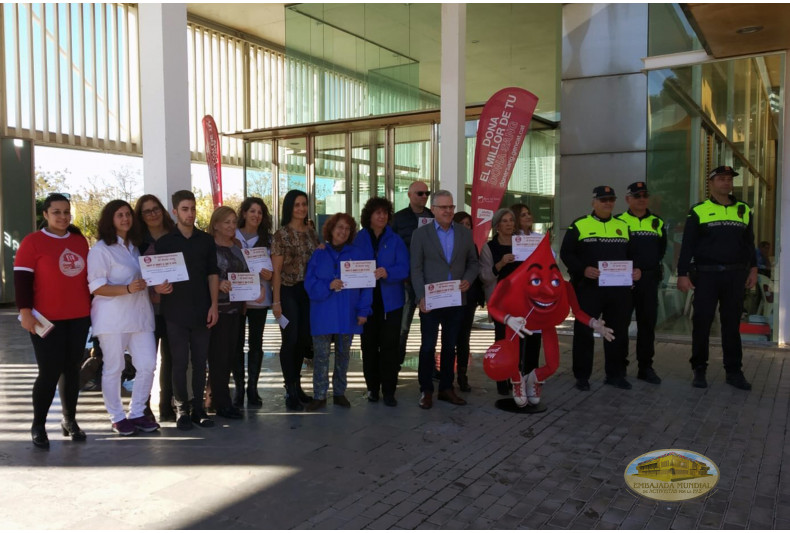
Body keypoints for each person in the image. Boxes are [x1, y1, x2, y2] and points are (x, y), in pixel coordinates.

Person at [14, 193, 92, 449]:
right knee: (48, 372)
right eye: (56, 212)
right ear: (45, 214)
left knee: (72, 371)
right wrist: (25, 312)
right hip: (44, 320)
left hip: (79, 317)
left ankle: (69, 420)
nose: (62, 216)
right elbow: (22, 280)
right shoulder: (32, 242)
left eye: (66, 211)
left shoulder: (80, 242)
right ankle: (38, 424)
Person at [677, 165, 757, 390]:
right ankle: (699, 369)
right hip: (706, 276)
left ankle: (734, 371)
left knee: (731, 325)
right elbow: (688, 245)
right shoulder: (698, 211)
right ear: (711, 183)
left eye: (729, 179)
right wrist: (682, 274)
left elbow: (749, 243)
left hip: (735, 275)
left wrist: (753, 269)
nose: (726, 183)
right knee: (701, 322)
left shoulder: (743, 209)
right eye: (721, 179)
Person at [87, 200, 160, 436]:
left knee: (148, 365)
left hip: (140, 317)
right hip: (113, 318)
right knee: (114, 367)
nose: (125, 219)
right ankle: (117, 416)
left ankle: (137, 412)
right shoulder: (100, 250)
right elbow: (97, 287)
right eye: (120, 215)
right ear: (110, 219)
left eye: (128, 214)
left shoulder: (136, 247)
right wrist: (127, 289)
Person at [560, 185, 641, 391]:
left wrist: (636, 271)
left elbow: (632, 256)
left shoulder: (623, 226)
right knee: (584, 331)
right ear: (594, 202)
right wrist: (582, 269)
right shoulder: (580, 225)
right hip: (588, 289)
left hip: (618, 291)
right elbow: (566, 253)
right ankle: (582, 376)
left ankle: (615, 375)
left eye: (611, 200)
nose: (608, 203)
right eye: (603, 200)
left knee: (618, 332)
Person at [154, 190, 219, 430]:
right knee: (179, 362)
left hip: (203, 309)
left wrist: (214, 305)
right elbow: (156, 278)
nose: (190, 213)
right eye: (184, 209)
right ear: (175, 211)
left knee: (201, 362)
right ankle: (182, 409)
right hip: (175, 313)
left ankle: (199, 409)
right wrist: (159, 286)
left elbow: (213, 274)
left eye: (192, 208)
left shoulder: (205, 240)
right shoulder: (164, 243)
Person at [410, 190, 479, 409]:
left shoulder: (464, 234)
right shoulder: (421, 234)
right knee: (428, 346)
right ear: (433, 210)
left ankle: (447, 388)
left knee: (450, 347)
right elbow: (416, 268)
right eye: (443, 207)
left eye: (451, 207)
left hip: (456, 299)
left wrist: (468, 280)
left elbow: (473, 263)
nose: (448, 211)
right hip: (431, 301)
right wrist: (420, 297)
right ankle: (426, 390)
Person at [304, 213, 372, 410]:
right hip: (323, 311)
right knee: (321, 356)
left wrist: (363, 311)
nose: (343, 231)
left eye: (347, 228)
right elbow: (310, 283)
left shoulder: (357, 254)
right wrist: (328, 285)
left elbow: (366, 286)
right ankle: (319, 395)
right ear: (331, 229)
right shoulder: (319, 253)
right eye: (339, 227)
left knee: (343, 355)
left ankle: (340, 392)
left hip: (347, 311)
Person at [354, 198, 410, 406]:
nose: (382, 216)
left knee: (389, 347)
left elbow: (405, 268)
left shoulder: (395, 240)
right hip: (366, 303)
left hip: (391, 304)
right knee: (368, 347)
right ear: (369, 216)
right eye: (377, 212)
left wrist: (388, 272)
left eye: (385, 213)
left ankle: (389, 391)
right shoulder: (358, 239)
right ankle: (372, 388)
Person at [271, 189, 320, 411]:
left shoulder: (311, 232)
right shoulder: (281, 235)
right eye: (297, 205)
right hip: (288, 291)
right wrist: (276, 301)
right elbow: (276, 271)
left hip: (307, 291)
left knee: (303, 340)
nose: (301, 208)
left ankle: (298, 386)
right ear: (289, 207)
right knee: (290, 340)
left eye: (304, 204)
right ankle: (290, 389)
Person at [615, 182, 666, 385]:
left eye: (645, 195)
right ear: (628, 199)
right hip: (623, 280)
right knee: (620, 325)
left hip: (648, 281)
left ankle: (645, 367)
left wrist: (647, 270)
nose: (642, 199)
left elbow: (661, 250)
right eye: (637, 196)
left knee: (647, 325)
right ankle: (619, 367)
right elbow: (614, 251)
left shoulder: (657, 222)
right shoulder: (618, 221)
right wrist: (628, 269)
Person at [134, 194, 176, 422]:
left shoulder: (175, 236)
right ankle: (144, 404)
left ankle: (166, 403)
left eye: (156, 209)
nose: (152, 214)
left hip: (174, 307)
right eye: (147, 211)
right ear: (140, 216)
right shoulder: (136, 242)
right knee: (147, 360)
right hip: (146, 309)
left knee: (170, 358)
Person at [479, 208, 530, 396]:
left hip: (521, 299)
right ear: (497, 226)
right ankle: (502, 381)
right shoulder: (489, 248)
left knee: (520, 340)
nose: (509, 224)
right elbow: (484, 276)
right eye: (505, 221)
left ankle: (517, 378)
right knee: (502, 340)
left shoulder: (522, 243)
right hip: (500, 301)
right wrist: (500, 264)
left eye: (511, 220)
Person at [206, 206, 247, 419]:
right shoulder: (207, 247)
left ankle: (215, 398)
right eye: (227, 222)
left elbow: (245, 274)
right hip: (217, 310)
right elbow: (201, 276)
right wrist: (218, 283)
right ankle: (222, 403)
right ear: (216, 224)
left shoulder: (237, 247)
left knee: (230, 355)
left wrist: (253, 289)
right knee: (219, 357)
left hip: (235, 309)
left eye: (234, 222)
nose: (232, 226)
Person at [233, 197, 273, 408]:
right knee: (236, 344)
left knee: (256, 344)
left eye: (260, 212)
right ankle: (239, 389)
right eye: (252, 211)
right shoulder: (233, 235)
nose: (256, 215)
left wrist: (269, 273)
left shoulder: (268, 239)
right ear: (244, 213)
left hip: (259, 297)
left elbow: (274, 267)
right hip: (238, 298)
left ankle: (253, 389)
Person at [392, 181, 432, 364]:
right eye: (420, 193)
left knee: (430, 326)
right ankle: (396, 364)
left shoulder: (433, 216)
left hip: (429, 279)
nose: (424, 196)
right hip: (406, 281)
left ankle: (428, 366)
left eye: (427, 193)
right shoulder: (398, 218)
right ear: (409, 195)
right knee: (403, 327)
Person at [509, 203, 545, 394]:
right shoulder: (512, 240)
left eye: (529, 213)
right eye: (523, 215)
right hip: (517, 296)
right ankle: (516, 380)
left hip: (536, 295)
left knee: (534, 337)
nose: (528, 217)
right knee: (517, 339)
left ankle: (532, 378)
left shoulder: (539, 239)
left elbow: (550, 261)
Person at [452, 211, 484, 393]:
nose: (465, 227)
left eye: (468, 224)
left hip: (467, 298)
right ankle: (446, 374)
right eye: (461, 223)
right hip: (449, 297)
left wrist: (479, 296)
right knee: (449, 337)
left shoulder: (471, 245)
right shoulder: (446, 243)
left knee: (464, 338)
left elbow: (476, 269)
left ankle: (462, 375)